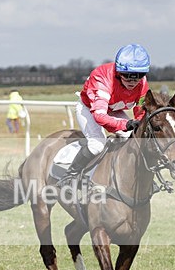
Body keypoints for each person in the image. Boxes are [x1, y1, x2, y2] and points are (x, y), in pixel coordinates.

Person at [60, 43, 150, 183]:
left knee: (133, 139)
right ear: (119, 72)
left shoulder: (142, 83)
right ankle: (69, 176)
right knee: (97, 144)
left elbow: (140, 111)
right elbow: (100, 116)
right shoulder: (103, 78)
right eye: (127, 76)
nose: (133, 81)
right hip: (90, 109)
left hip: (114, 109)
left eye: (138, 76)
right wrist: (126, 124)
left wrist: (139, 126)